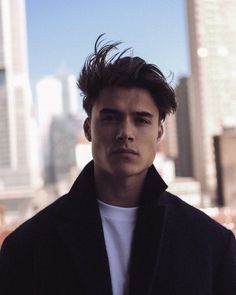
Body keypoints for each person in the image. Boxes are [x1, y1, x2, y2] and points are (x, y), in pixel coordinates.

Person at [0, 35, 235, 295]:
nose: (125, 132)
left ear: (159, 133)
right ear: (89, 129)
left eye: (141, 119)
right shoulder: (27, 247)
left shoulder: (212, 244)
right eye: (111, 118)